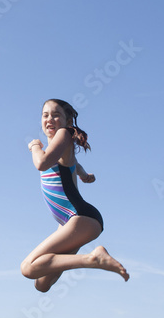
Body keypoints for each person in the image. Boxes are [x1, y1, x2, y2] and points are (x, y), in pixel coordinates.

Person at [21, 98, 129, 292]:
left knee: (27, 268)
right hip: (72, 222)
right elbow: (74, 164)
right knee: (42, 283)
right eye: (45, 115)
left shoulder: (64, 134)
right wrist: (85, 175)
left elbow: (41, 164)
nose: (50, 119)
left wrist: (34, 147)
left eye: (56, 115)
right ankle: (92, 259)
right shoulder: (60, 150)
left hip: (80, 218)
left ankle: (94, 258)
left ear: (67, 122)